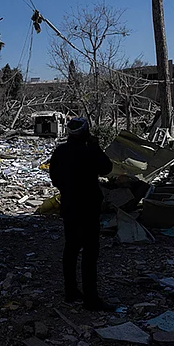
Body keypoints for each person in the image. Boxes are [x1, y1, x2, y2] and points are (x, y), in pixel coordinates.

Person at [49, 117, 114, 311]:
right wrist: (96, 147)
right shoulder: (89, 151)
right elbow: (106, 169)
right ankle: (91, 298)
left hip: (69, 205)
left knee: (70, 248)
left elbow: (54, 178)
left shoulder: (60, 151)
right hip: (89, 206)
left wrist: (67, 190)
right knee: (90, 251)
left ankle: (71, 290)